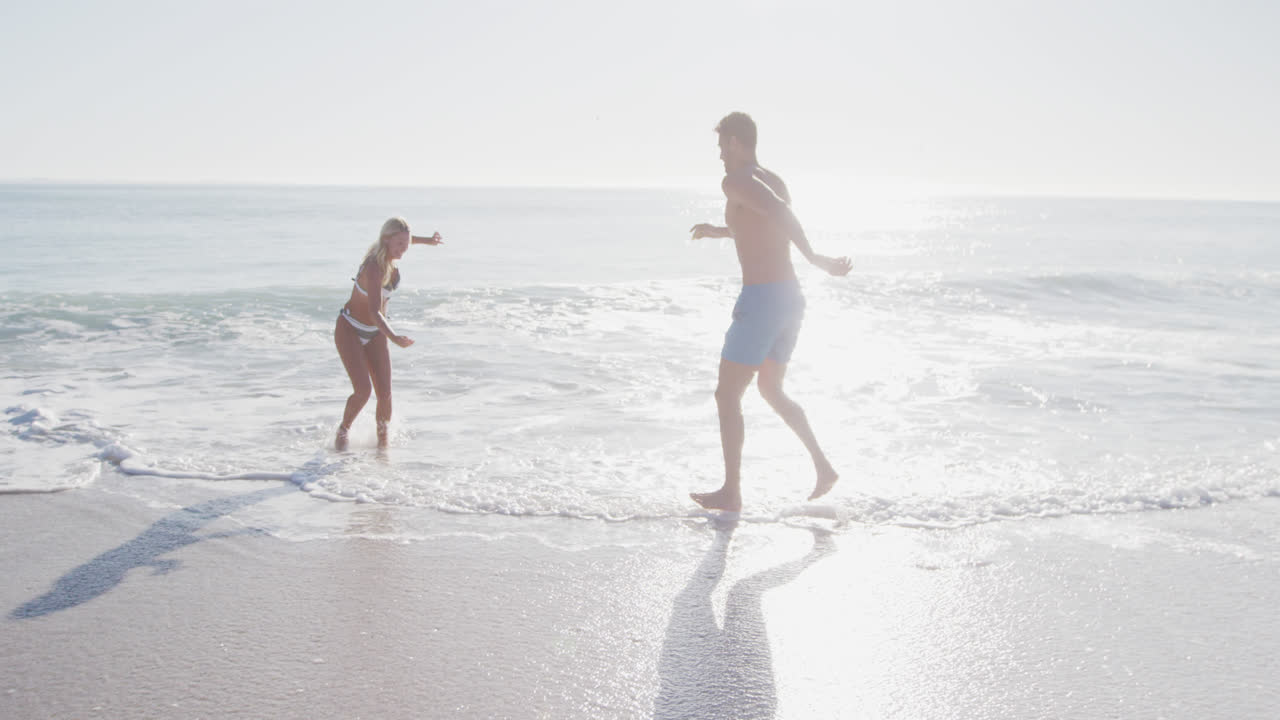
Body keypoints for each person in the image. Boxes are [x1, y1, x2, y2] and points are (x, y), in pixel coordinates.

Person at [688, 112, 852, 512]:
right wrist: (718, 230)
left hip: (762, 300)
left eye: (723, 146)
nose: (720, 156)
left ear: (739, 143)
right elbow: (766, 221)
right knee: (770, 389)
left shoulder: (736, 180)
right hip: (789, 299)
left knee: (727, 394)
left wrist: (816, 258)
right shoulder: (770, 178)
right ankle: (823, 466)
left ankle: (732, 492)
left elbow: (779, 212)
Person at [334, 217, 443, 450]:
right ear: (386, 240)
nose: (404, 249)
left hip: (375, 332)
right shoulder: (374, 267)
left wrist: (427, 241)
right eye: (399, 244)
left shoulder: (392, 255)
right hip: (350, 328)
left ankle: (382, 447)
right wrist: (394, 338)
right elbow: (374, 310)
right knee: (363, 391)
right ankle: (343, 431)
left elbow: (408, 239)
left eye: (406, 244)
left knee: (385, 394)